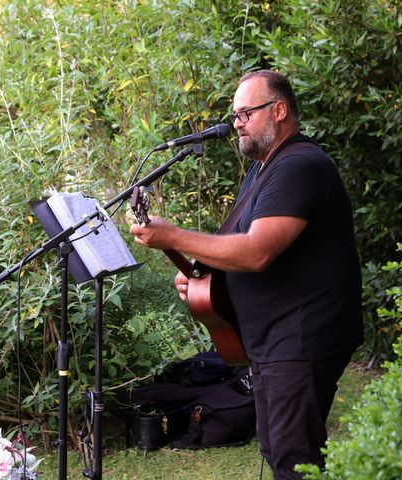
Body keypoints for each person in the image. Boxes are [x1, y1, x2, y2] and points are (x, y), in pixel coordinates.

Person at [130, 70, 363, 479]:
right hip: (273, 339)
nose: (236, 123)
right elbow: (235, 247)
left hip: (302, 337)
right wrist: (199, 275)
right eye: (235, 114)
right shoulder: (262, 171)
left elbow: (257, 252)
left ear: (279, 110)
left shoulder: (300, 165)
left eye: (245, 113)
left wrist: (176, 235)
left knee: (295, 459)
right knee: (277, 449)